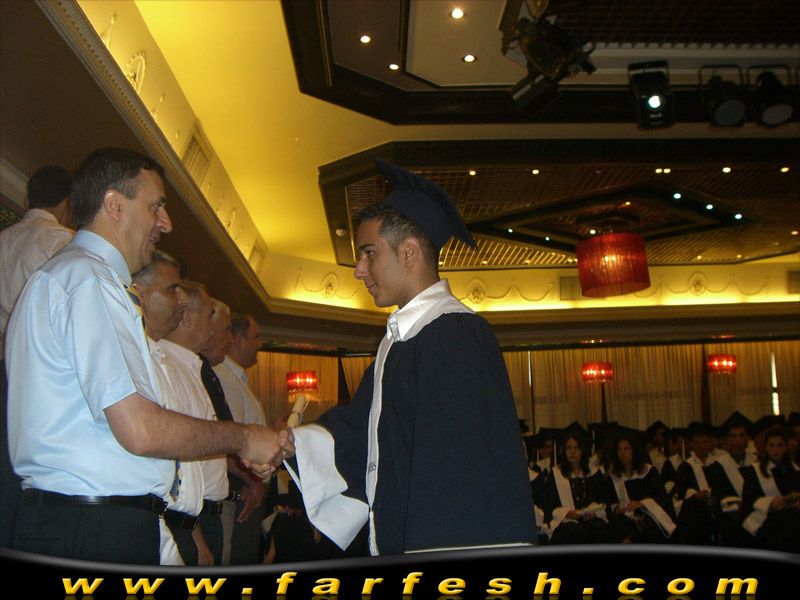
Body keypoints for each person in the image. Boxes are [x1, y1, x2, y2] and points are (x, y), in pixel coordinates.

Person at [5, 147, 289, 564]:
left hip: (88, 519)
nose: (166, 222)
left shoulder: (78, 276)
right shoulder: (88, 279)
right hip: (91, 526)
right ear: (114, 205)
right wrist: (245, 437)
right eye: (156, 206)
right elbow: (140, 429)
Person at [284, 157, 536, 555]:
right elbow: (363, 429)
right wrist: (290, 443)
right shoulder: (400, 340)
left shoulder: (455, 335)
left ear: (409, 252)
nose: (358, 270)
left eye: (369, 253)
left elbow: (460, 475)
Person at [0, 165, 73, 547]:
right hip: (34, 371)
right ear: (68, 204)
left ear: (27, 197)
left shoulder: (3, 239)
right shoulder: (61, 242)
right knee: (28, 471)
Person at [132, 251, 205, 565]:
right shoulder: (131, 359)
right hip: (149, 522)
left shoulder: (164, 361)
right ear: (140, 295)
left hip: (173, 526)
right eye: (173, 289)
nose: (183, 300)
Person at [159, 281, 230, 564]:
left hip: (204, 515)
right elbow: (177, 459)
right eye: (209, 314)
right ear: (188, 317)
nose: (213, 325)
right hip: (188, 520)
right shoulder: (167, 365)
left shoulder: (191, 366)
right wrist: (194, 532)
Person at [213, 312, 269, 563]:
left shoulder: (236, 379)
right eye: (255, 337)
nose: (260, 344)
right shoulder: (225, 378)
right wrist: (252, 481)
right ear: (237, 339)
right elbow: (230, 440)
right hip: (241, 493)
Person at [674, 422, 744, 546]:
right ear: (692, 445)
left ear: (710, 443)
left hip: (720, 505)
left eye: (705, 442)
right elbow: (681, 491)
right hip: (698, 510)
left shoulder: (719, 464)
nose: (702, 446)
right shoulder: (686, 467)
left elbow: (727, 487)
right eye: (698, 443)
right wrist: (695, 494)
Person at [542, 425, 610, 544]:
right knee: (573, 530)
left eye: (577, 448)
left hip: (590, 520)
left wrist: (594, 513)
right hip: (566, 522)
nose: (572, 452)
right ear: (564, 450)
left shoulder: (594, 473)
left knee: (598, 527)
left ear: (583, 450)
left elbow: (603, 502)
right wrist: (566, 513)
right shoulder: (556, 474)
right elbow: (550, 506)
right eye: (569, 448)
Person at [605, 432, 677, 543]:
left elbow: (662, 497)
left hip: (649, 514)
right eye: (619, 449)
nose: (623, 453)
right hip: (625, 517)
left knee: (646, 526)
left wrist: (641, 504)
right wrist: (617, 508)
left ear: (634, 451)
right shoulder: (614, 477)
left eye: (626, 449)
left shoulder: (648, 472)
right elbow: (610, 502)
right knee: (619, 526)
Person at [740, 426, 800, 553]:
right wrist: (770, 503)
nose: (776, 450)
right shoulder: (755, 471)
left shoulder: (795, 470)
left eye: (780, 445)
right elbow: (748, 499)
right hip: (764, 519)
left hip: (791, 517)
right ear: (766, 448)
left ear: (786, 447)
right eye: (771, 445)